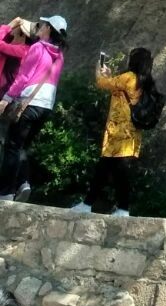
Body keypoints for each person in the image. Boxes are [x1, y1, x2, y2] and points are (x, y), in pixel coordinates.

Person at [69, 46, 155, 217]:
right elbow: (115, 86)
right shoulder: (144, 82)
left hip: (117, 133)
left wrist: (98, 69)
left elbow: (102, 83)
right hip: (132, 134)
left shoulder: (128, 77)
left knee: (114, 170)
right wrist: (109, 75)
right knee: (110, 169)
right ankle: (96, 204)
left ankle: (116, 208)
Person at [0, 14, 67, 202]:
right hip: (46, 107)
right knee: (22, 146)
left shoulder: (37, 48)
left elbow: (24, 76)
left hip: (29, 103)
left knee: (12, 146)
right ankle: (23, 184)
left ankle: (5, 192)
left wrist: (6, 98)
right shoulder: (59, 55)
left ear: (48, 29)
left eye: (44, 24)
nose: (41, 26)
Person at [0, 18, 32, 98]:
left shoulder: (24, 50)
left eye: (14, 35)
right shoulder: (27, 50)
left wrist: (8, 26)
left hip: (5, 93)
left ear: (23, 36)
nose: (12, 35)